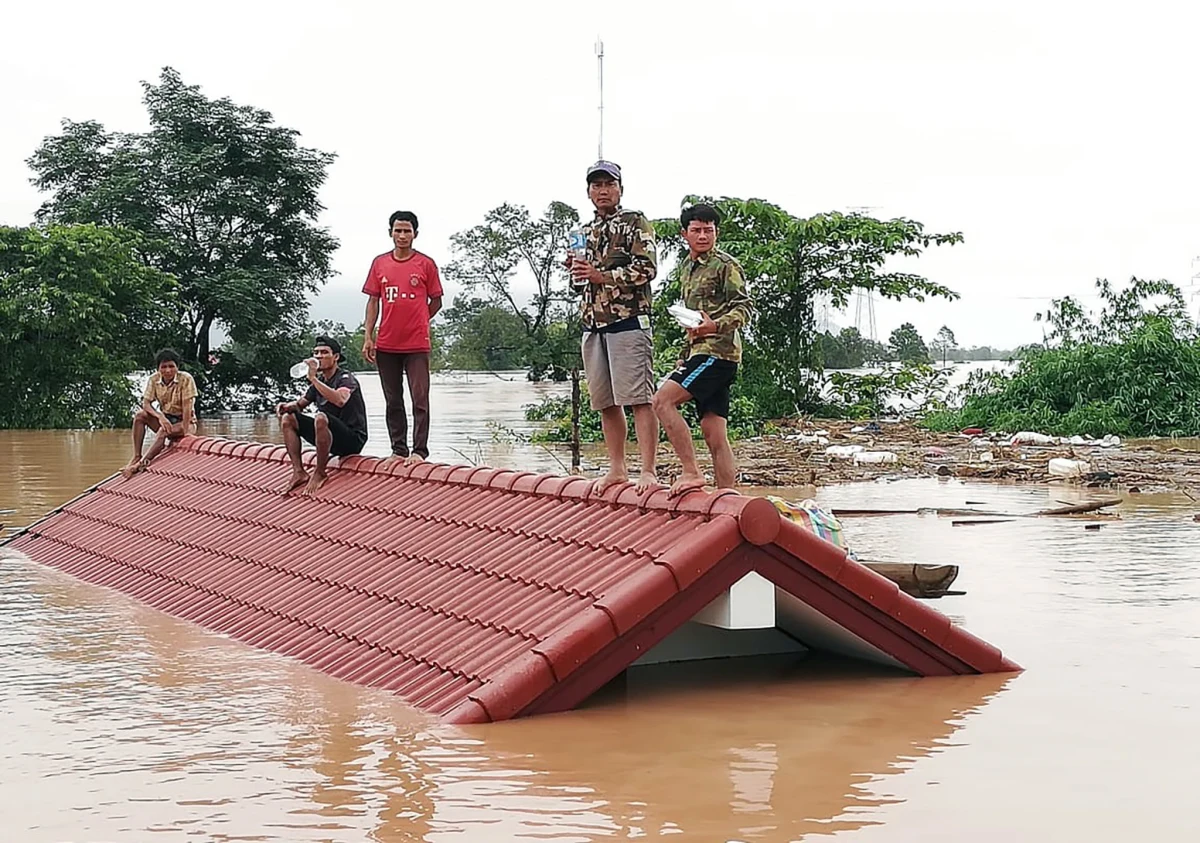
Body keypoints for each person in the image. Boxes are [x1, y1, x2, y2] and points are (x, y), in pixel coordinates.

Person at [569, 160, 660, 493]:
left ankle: (648, 470)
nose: (602, 190)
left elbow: (647, 270)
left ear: (620, 188)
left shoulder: (636, 223)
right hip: (593, 325)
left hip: (628, 322)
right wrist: (577, 272)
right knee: (605, 402)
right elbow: (579, 285)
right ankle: (617, 468)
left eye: (608, 184)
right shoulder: (583, 232)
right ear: (589, 192)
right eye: (596, 185)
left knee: (639, 398)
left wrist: (601, 275)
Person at [652, 203, 752, 496]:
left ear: (716, 232)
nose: (703, 235)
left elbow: (745, 307)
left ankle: (691, 472)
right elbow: (692, 317)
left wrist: (715, 326)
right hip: (699, 352)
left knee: (662, 401)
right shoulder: (686, 268)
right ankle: (727, 497)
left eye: (709, 230)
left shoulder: (726, 265)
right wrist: (685, 351)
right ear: (685, 234)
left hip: (718, 353)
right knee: (713, 432)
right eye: (696, 230)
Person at [361, 210, 443, 464]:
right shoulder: (380, 263)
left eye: (407, 231)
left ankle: (419, 451)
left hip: (417, 344)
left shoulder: (425, 264)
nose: (402, 235)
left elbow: (437, 300)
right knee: (392, 399)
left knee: (420, 398)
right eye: (398, 230)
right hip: (387, 343)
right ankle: (398, 450)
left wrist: (420, 321)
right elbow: (373, 301)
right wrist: (368, 335)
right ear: (390, 233)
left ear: (415, 234)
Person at [276, 336, 369, 494]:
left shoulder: (346, 378)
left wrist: (312, 379)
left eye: (324, 352)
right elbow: (300, 405)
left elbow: (340, 400)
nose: (319, 356)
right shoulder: (319, 382)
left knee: (320, 417)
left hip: (352, 439)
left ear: (336, 357)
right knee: (288, 418)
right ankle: (299, 472)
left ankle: (320, 472)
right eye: (316, 353)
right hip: (328, 436)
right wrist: (285, 407)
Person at [121, 348, 197, 479]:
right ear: (158, 368)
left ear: (177, 367)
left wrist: (185, 432)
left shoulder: (186, 379)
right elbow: (146, 403)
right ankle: (136, 456)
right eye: (164, 367)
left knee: (163, 431)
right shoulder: (154, 379)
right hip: (166, 419)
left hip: (185, 421)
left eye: (171, 366)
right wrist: (160, 416)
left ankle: (140, 464)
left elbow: (187, 408)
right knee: (140, 415)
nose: (168, 370)